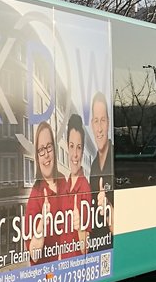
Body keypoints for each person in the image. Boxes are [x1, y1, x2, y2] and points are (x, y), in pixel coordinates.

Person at [25, 120, 71, 264]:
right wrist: (42, 224)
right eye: (41, 150)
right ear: (37, 158)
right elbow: (34, 254)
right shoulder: (36, 194)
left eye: (49, 147)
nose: (46, 154)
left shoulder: (63, 181)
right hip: (46, 274)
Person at [60, 114, 91, 259]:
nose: (75, 154)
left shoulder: (84, 187)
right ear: (66, 146)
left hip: (76, 265)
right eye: (72, 146)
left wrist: (80, 227)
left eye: (79, 148)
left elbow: (85, 248)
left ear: (83, 150)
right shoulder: (66, 185)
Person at [88, 92, 113, 252]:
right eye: (96, 121)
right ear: (91, 124)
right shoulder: (93, 166)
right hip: (97, 247)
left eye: (102, 120)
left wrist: (109, 207)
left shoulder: (116, 159)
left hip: (112, 248)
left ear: (109, 123)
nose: (99, 128)